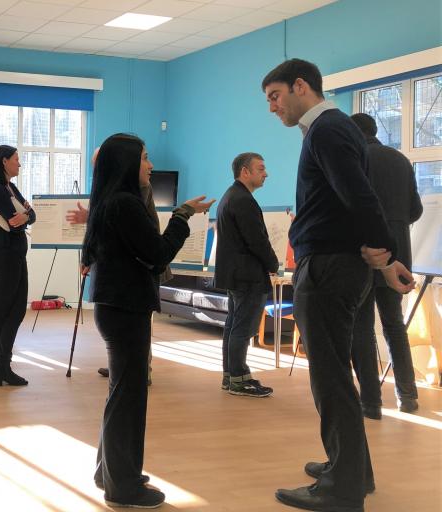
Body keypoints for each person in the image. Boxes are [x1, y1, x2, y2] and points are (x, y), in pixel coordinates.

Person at [262, 58, 415, 512]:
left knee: (330, 380)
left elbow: (360, 196)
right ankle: (351, 470)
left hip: (328, 269)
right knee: (336, 378)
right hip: (336, 265)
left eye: (275, 96)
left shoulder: (327, 129)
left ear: (301, 86)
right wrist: (383, 258)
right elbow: (352, 199)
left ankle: (342, 489)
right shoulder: (334, 129)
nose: (272, 107)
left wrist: (383, 251)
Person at [82, 133, 214, 509]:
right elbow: (157, 254)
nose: (151, 165)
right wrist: (182, 216)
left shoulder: (110, 200)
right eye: (144, 158)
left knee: (122, 393)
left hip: (116, 305)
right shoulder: (124, 203)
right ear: (126, 163)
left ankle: (111, 470)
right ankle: (122, 487)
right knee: (129, 396)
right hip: (124, 307)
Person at [67, 148, 171, 384]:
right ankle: (122, 362)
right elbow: (98, 228)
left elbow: (121, 221)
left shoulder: (136, 187)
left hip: (142, 264)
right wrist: (88, 257)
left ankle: (142, 369)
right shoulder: (108, 187)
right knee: (122, 328)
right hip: (123, 267)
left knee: (139, 324)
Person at [349, 112, 424, 418]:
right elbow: (415, 210)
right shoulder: (401, 160)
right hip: (398, 254)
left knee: (363, 328)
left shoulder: (354, 159)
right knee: (395, 326)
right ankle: (407, 396)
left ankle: (371, 402)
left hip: (364, 254)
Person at [215, 152, 278, 397]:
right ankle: (239, 379)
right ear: (245, 171)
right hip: (247, 275)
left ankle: (231, 376)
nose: (266, 173)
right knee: (242, 328)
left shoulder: (231, 196)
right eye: (260, 169)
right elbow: (257, 240)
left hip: (236, 274)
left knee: (233, 326)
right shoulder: (243, 200)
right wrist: (272, 262)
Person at [0, 145, 36, 386]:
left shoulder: (10, 187)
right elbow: (13, 222)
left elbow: (30, 215)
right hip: (4, 257)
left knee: (17, 311)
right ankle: (0, 364)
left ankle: (3, 364)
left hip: (16, 256)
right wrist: (24, 216)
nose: (19, 163)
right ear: (4, 161)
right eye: (16, 159)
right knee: (2, 310)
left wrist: (26, 216)